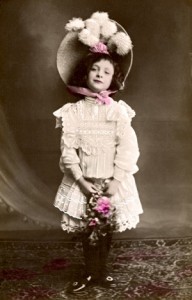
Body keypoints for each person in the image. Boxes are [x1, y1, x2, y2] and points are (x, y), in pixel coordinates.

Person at [53, 11, 143, 293]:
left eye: (106, 71)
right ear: (85, 72)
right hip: (85, 181)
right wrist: (81, 182)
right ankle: (90, 273)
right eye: (95, 70)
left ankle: (101, 272)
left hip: (112, 181)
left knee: (106, 228)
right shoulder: (74, 112)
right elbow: (68, 151)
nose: (100, 75)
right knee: (88, 230)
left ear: (113, 77)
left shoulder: (118, 111)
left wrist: (115, 181)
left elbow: (128, 146)